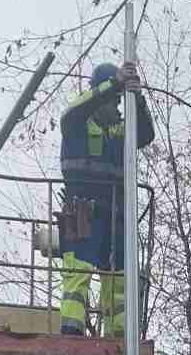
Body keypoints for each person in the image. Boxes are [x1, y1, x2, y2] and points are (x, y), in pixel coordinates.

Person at [59, 60, 154, 338]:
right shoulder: (76, 126)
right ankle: (72, 329)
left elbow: (146, 134)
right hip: (81, 213)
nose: (118, 108)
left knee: (118, 280)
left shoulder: (122, 133)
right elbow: (73, 110)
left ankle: (119, 335)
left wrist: (137, 96)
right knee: (78, 272)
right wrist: (114, 83)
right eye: (115, 101)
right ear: (101, 97)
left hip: (116, 216)